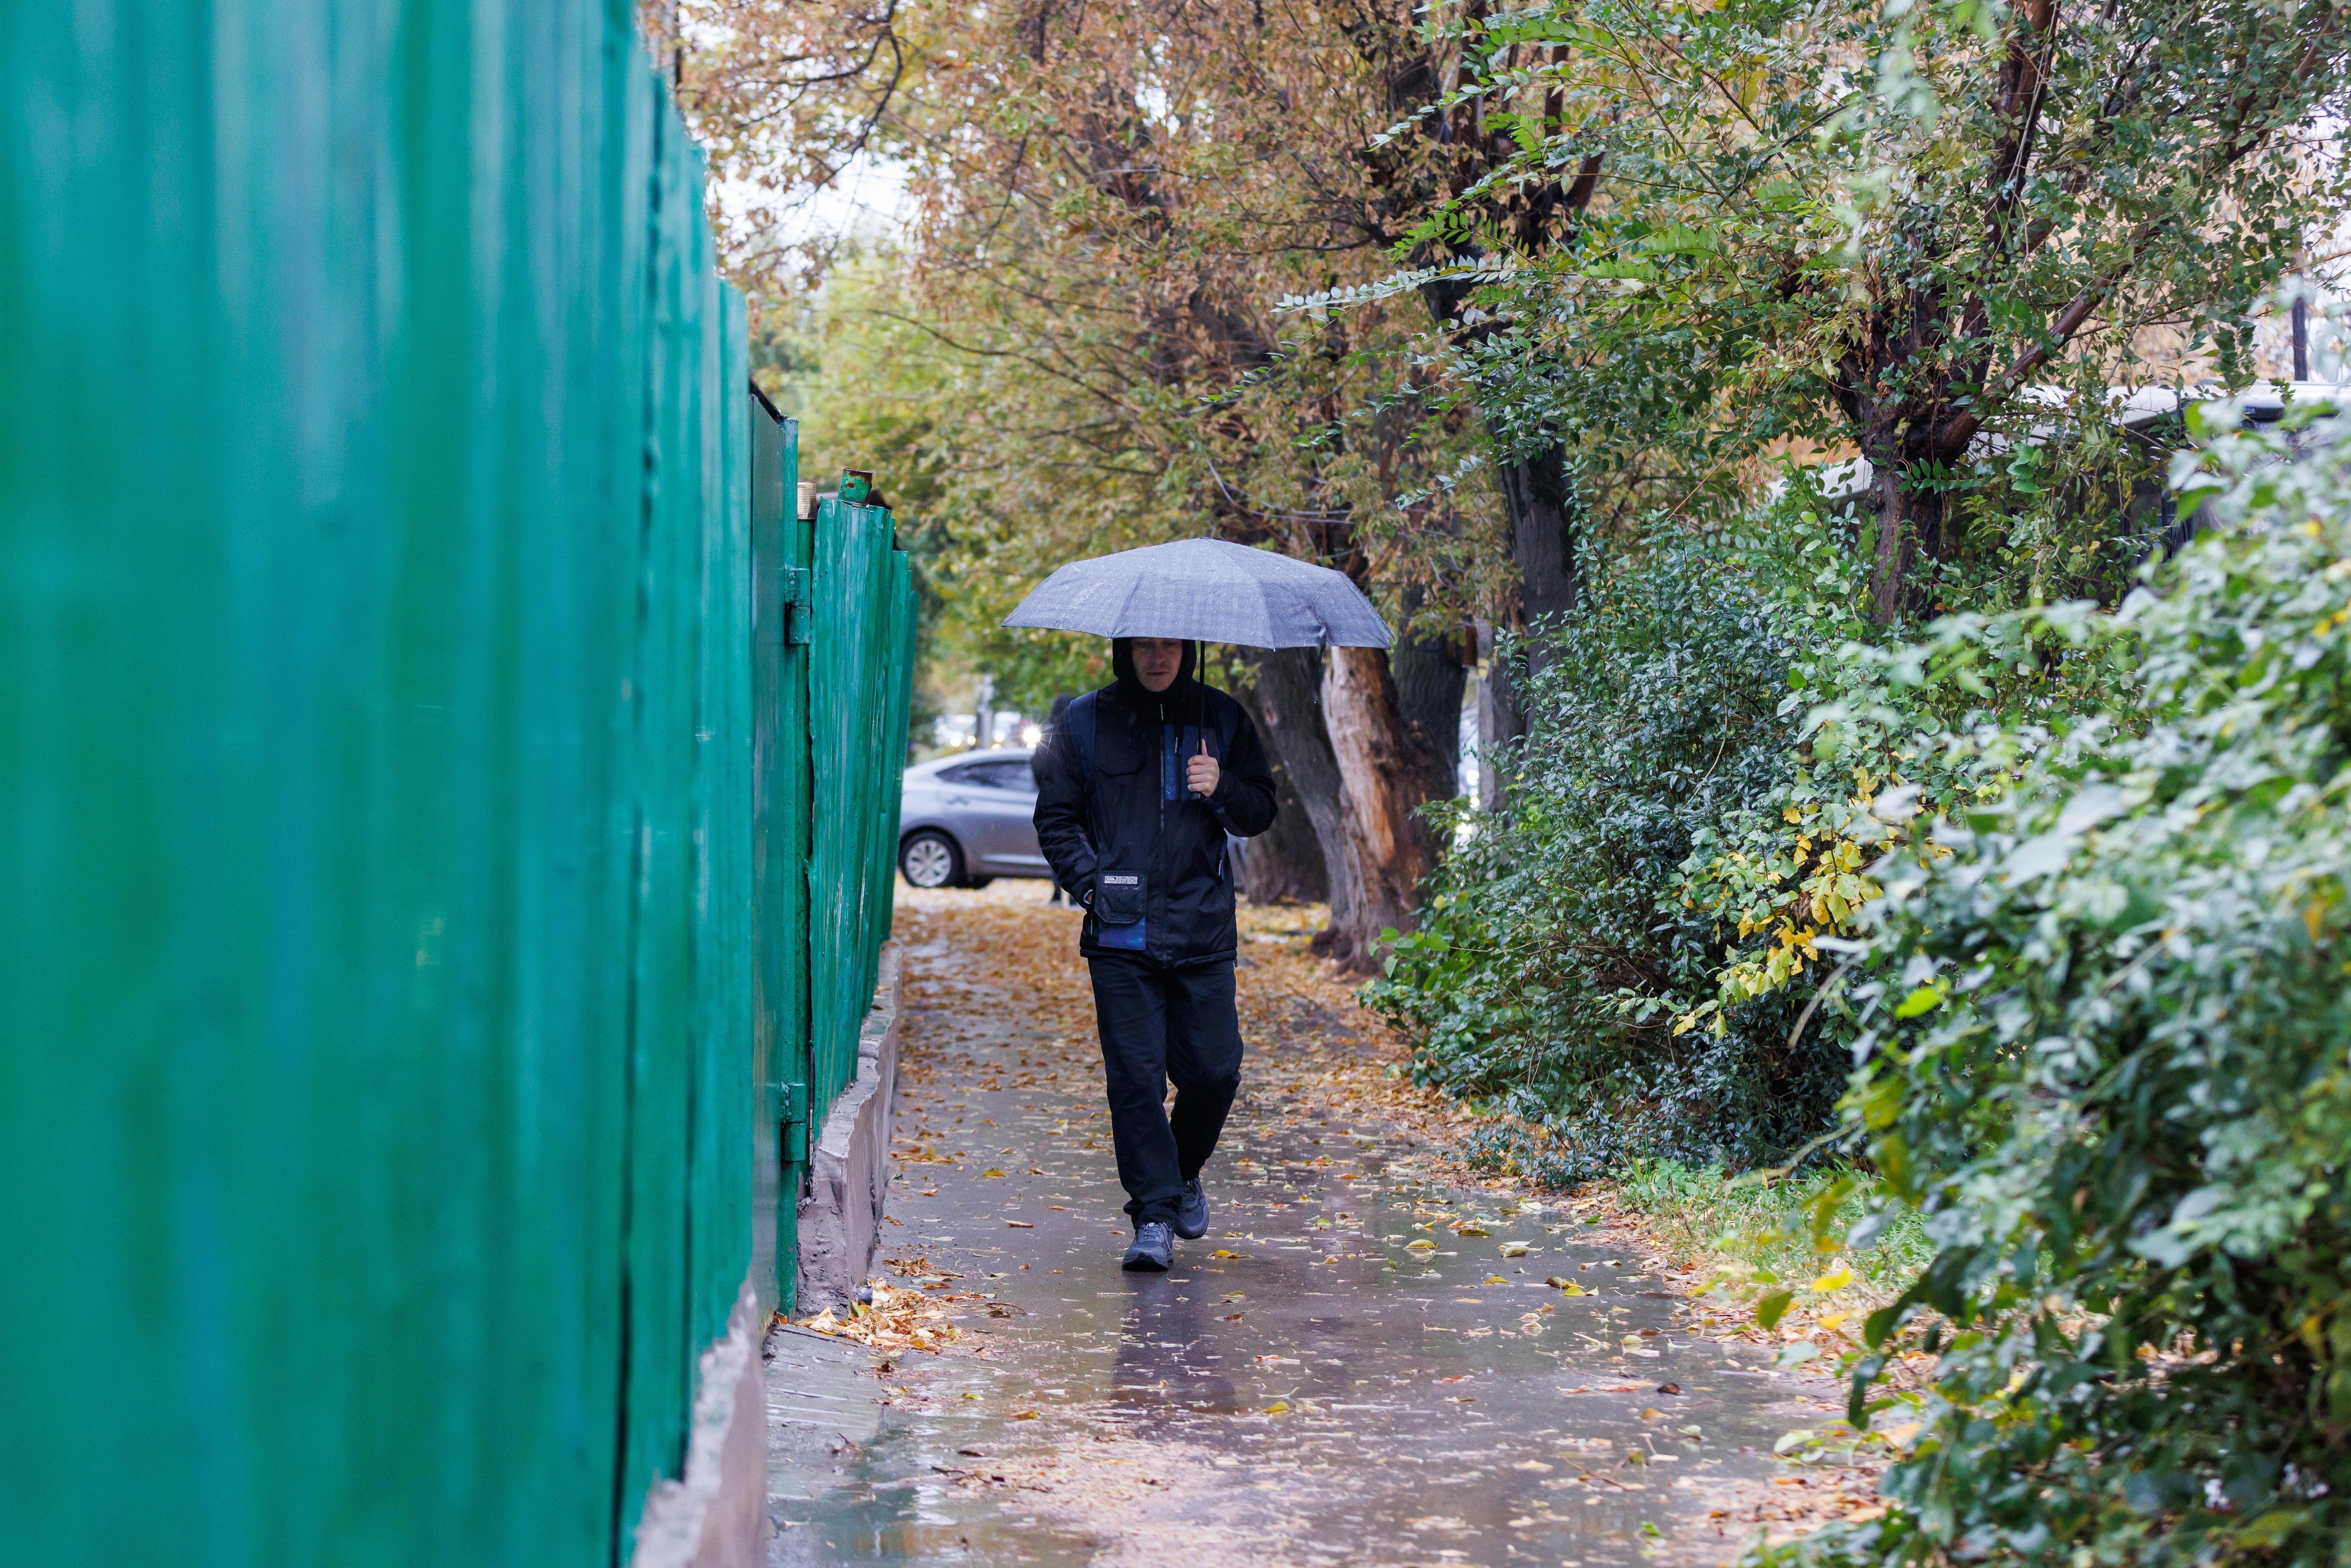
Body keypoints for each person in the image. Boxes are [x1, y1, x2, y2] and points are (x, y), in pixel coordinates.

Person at [1031, 637, 1278, 1270]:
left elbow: (1261, 810)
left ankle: (1182, 1170)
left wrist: (1222, 786)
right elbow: (1056, 818)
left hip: (1202, 932)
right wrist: (1090, 884)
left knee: (1215, 1072)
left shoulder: (1222, 718)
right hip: (1121, 936)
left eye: (1171, 646)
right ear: (1125, 650)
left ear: (1188, 651)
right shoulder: (1083, 722)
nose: (1159, 658)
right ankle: (1154, 1218)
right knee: (1136, 1081)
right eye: (1146, 646)